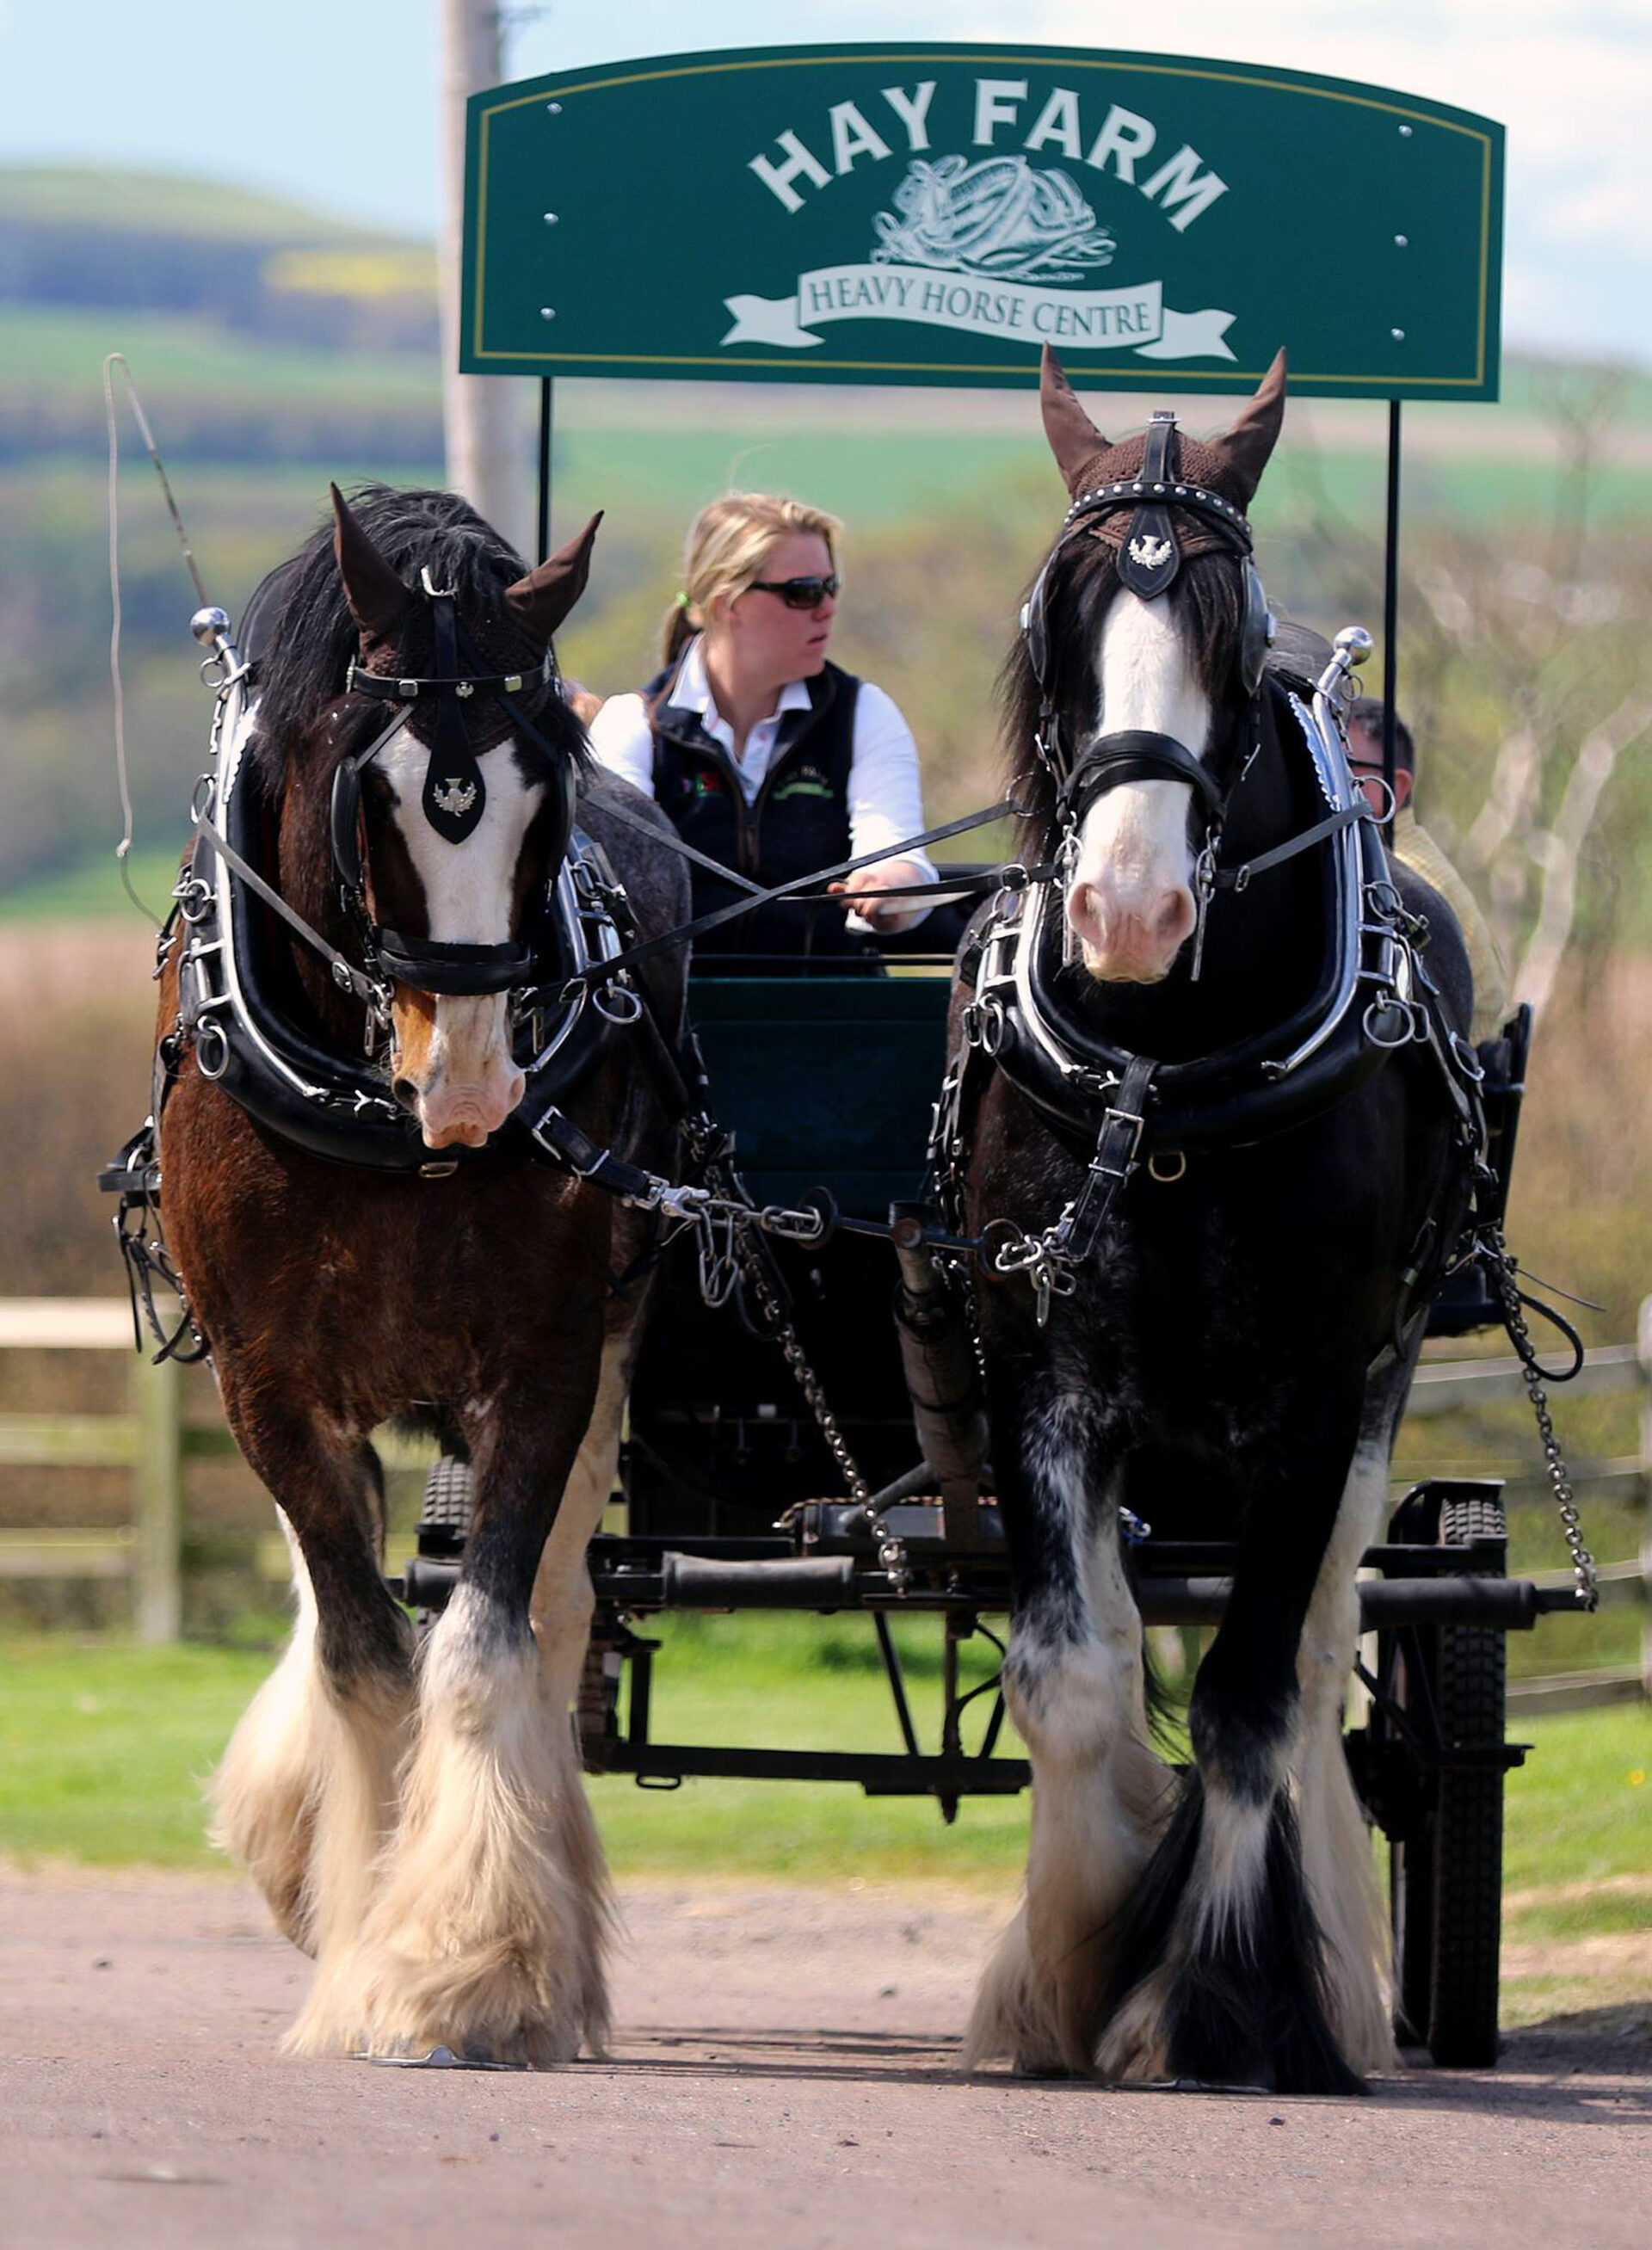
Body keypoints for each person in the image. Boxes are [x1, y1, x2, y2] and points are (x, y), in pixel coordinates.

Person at [588, 493, 934, 968]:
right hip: (672, 1028)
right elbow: (616, 887)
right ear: (730, 603)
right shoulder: (634, 725)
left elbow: (897, 853)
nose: (827, 608)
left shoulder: (865, 713)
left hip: (829, 1020)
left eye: (832, 587)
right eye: (805, 591)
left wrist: (893, 886)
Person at [1345, 698, 1509, 1043]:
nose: (1330, 778)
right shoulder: (1393, 858)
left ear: (1397, 787)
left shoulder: (1402, 879)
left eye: (1347, 766)